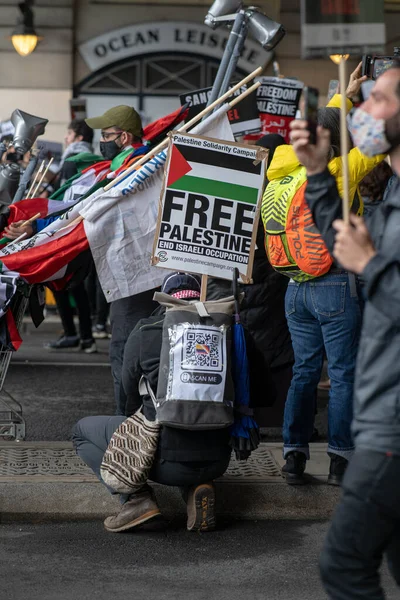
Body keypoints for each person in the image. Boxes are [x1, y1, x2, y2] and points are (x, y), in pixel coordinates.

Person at [289, 63, 400, 599]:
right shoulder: (391, 192)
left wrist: (372, 265)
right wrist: (315, 174)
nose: (365, 110)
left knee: (344, 567)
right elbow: (345, 247)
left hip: (392, 430)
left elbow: (370, 266)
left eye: (378, 98)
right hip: (383, 415)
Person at [264, 64, 385, 486]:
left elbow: (325, 128)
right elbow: (376, 142)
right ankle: (340, 460)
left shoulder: (282, 166)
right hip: (334, 281)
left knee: (303, 371)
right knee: (344, 373)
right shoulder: (341, 172)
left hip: (294, 286)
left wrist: (342, 99)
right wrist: (375, 100)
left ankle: (293, 456)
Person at [72, 272, 231, 533]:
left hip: (165, 463)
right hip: (219, 458)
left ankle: (137, 500)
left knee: (80, 432)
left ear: (163, 299)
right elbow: (264, 393)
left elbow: (126, 398)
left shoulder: (146, 331)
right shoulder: (226, 332)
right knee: (188, 430)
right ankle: (197, 488)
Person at [206, 133, 294, 424]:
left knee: (245, 346)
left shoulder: (240, 187)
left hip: (243, 281)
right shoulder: (287, 187)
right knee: (274, 347)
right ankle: (274, 415)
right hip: (273, 280)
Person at [84, 106, 160, 413]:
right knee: (141, 352)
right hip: (144, 270)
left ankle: (126, 425)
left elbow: (88, 208)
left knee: (126, 353)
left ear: (124, 136)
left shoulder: (135, 166)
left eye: (106, 135)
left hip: (137, 274)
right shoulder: (141, 162)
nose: (102, 140)